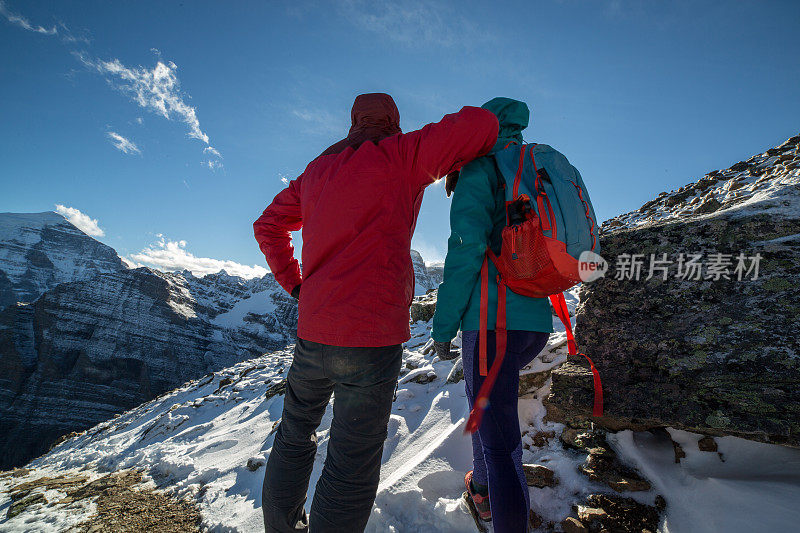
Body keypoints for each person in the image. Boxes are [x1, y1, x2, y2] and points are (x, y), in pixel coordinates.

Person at [254, 92, 499, 533]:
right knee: (351, 460)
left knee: (293, 437)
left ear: (354, 122)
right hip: (372, 335)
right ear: (392, 122)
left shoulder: (315, 173)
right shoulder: (401, 155)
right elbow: (481, 124)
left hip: (314, 332)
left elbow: (267, 224)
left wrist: (296, 284)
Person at [431, 97, 552, 533]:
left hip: (491, 326)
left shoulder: (481, 168)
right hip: (535, 323)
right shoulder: (535, 168)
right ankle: (482, 491)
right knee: (486, 408)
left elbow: (464, 253)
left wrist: (443, 326)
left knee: (502, 448)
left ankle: (500, 509)